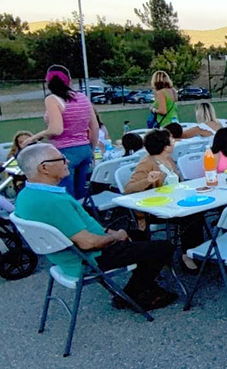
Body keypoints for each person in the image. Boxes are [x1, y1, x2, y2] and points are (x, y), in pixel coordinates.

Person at [14, 143, 177, 310]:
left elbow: (77, 226)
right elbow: (88, 243)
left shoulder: (26, 195)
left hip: (66, 258)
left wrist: (108, 231)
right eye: (61, 158)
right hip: (88, 259)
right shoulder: (53, 201)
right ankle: (132, 294)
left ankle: (143, 285)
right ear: (45, 168)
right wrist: (115, 237)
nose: (67, 161)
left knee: (139, 235)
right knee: (164, 247)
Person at [124, 129, 205, 271]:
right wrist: (147, 180)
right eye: (172, 140)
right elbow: (128, 189)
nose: (175, 142)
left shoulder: (168, 159)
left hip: (174, 202)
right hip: (156, 209)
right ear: (165, 146)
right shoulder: (147, 163)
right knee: (191, 216)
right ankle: (187, 255)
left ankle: (197, 251)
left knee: (198, 210)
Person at [23, 65, 98, 199]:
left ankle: (68, 218)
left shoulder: (52, 99)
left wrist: (36, 137)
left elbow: (56, 129)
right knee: (81, 194)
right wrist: (91, 148)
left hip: (64, 152)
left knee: (66, 195)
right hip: (84, 149)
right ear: (68, 80)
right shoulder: (82, 97)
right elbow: (94, 126)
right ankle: (81, 216)